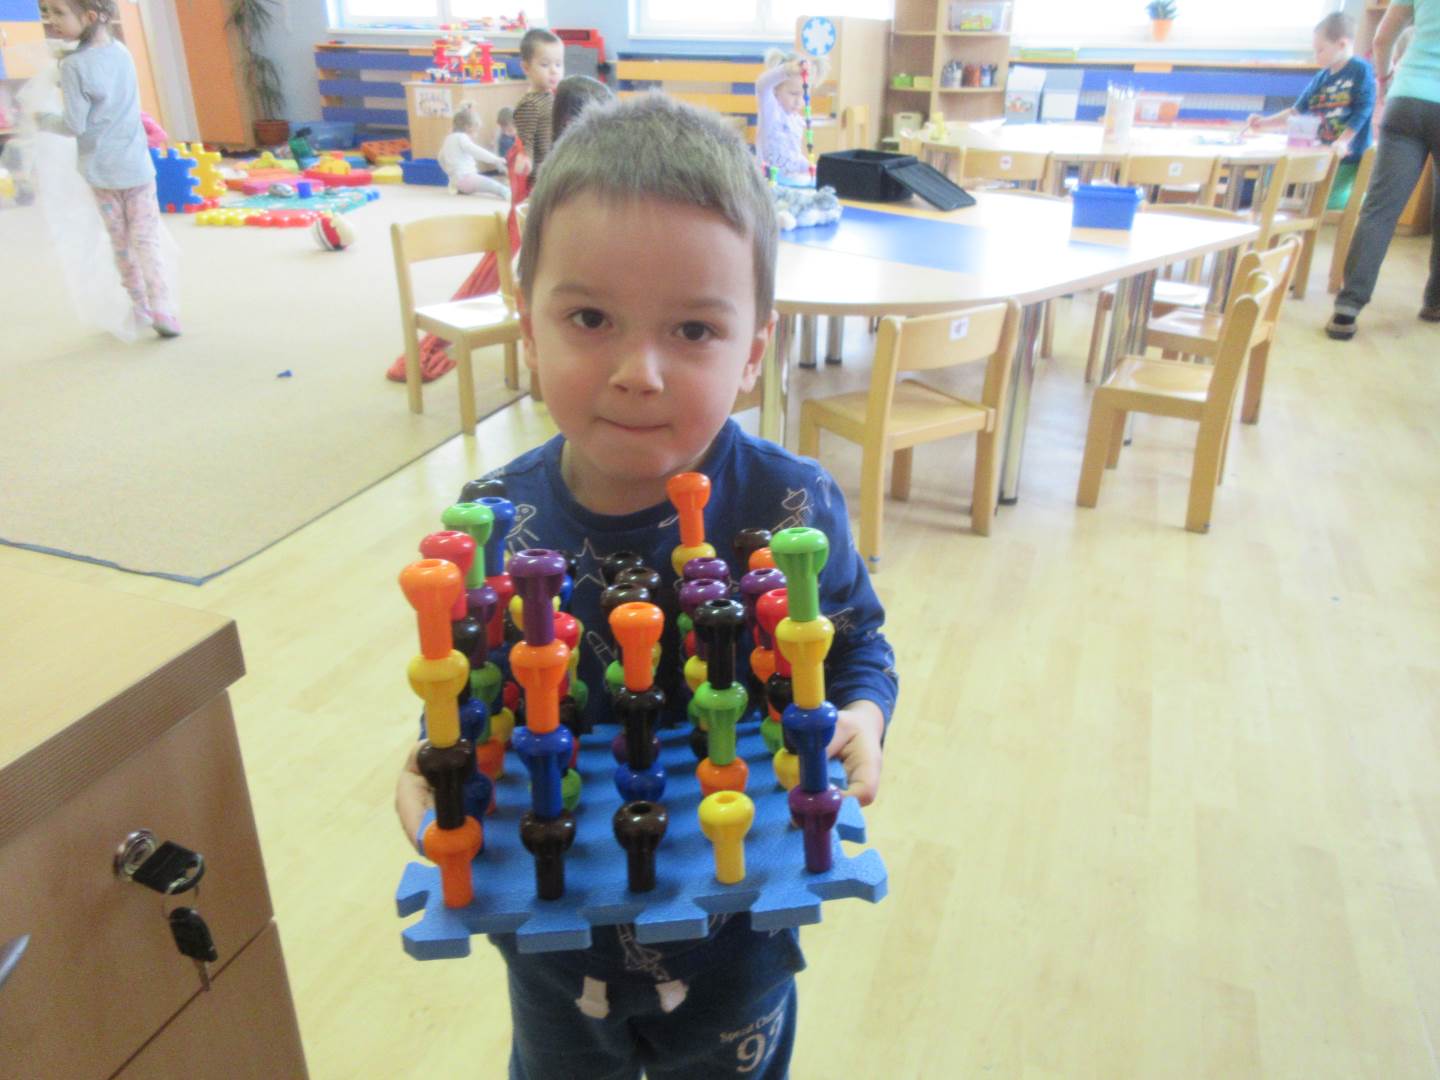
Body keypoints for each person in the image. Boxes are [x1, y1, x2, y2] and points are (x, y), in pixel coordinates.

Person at [394, 95, 897, 1080]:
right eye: (590, 318)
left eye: (694, 329)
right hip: (555, 942)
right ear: (528, 328)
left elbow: (857, 647)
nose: (639, 372)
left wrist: (862, 715)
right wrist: (431, 763)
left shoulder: (792, 504)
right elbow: (472, 683)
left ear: (753, 354)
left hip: (737, 939)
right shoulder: (493, 521)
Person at [39, 0, 178, 337]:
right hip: (137, 166)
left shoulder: (73, 66)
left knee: (122, 244)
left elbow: (74, 124)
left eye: (58, 12)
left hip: (103, 173)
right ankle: (162, 308)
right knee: (146, 241)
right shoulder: (122, 52)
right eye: (46, 12)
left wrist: (42, 120)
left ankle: (141, 305)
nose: (50, 20)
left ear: (89, 16)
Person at [1328, 0, 1440, 338]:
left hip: (1407, 100)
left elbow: (1382, 39)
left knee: (1379, 210)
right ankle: (1435, 302)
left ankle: (1347, 308)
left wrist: (1385, 77)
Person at [1246, 13, 1376, 212]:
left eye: (1320, 50)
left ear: (1342, 44)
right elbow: (1296, 112)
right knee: (1303, 196)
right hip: (1321, 152)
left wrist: (1343, 140)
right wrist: (1263, 123)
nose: (1317, 56)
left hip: (1348, 155)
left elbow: (1363, 109)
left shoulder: (1360, 70)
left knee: (1328, 203)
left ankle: (1363, 204)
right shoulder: (1321, 77)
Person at [754, 49, 828, 183]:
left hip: (788, 182)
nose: (799, 101)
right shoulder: (771, 111)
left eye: (804, 95)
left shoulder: (796, 121)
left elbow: (793, 156)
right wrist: (787, 70)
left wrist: (808, 167)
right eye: (793, 94)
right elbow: (762, 84)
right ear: (775, 89)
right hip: (766, 182)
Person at [512, 28, 564, 189]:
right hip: (541, 176)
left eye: (558, 64)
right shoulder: (530, 104)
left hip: (555, 167)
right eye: (545, 64)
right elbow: (525, 138)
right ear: (526, 68)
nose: (554, 70)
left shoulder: (550, 96)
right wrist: (525, 158)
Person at [438, 104, 511, 200]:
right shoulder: (462, 137)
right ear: (468, 127)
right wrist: (495, 159)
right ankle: (506, 192)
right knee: (492, 185)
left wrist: (450, 173)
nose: (476, 135)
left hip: (456, 180)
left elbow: (441, 158)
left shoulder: (448, 139)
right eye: (476, 131)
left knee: (482, 182)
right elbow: (476, 151)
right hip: (466, 178)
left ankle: (457, 187)